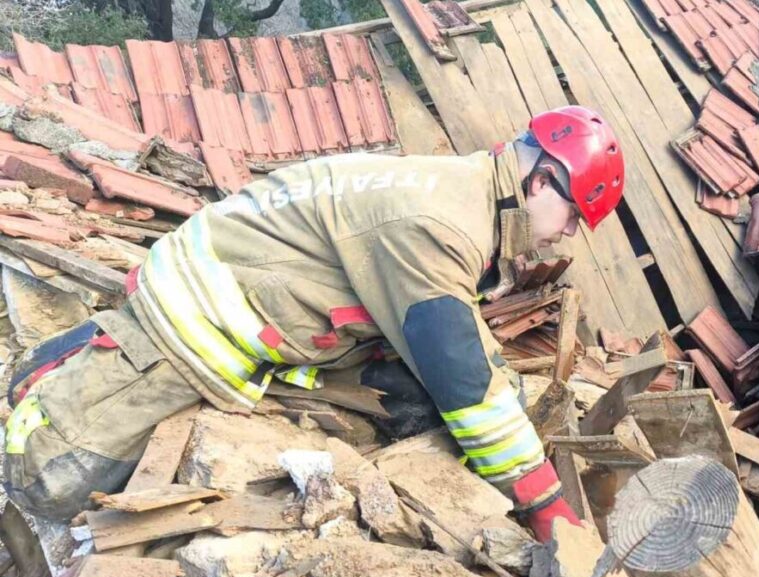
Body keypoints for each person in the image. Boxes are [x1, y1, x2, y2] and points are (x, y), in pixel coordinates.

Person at [0, 106, 624, 542]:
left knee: (425, 391)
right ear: (542, 180)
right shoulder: (440, 223)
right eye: (573, 215)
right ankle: (102, 353)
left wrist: (503, 393)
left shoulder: (459, 191)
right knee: (44, 480)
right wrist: (541, 498)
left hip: (259, 280)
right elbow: (462, 377)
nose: (567, 234)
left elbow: (455, 331)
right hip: (199, 315)